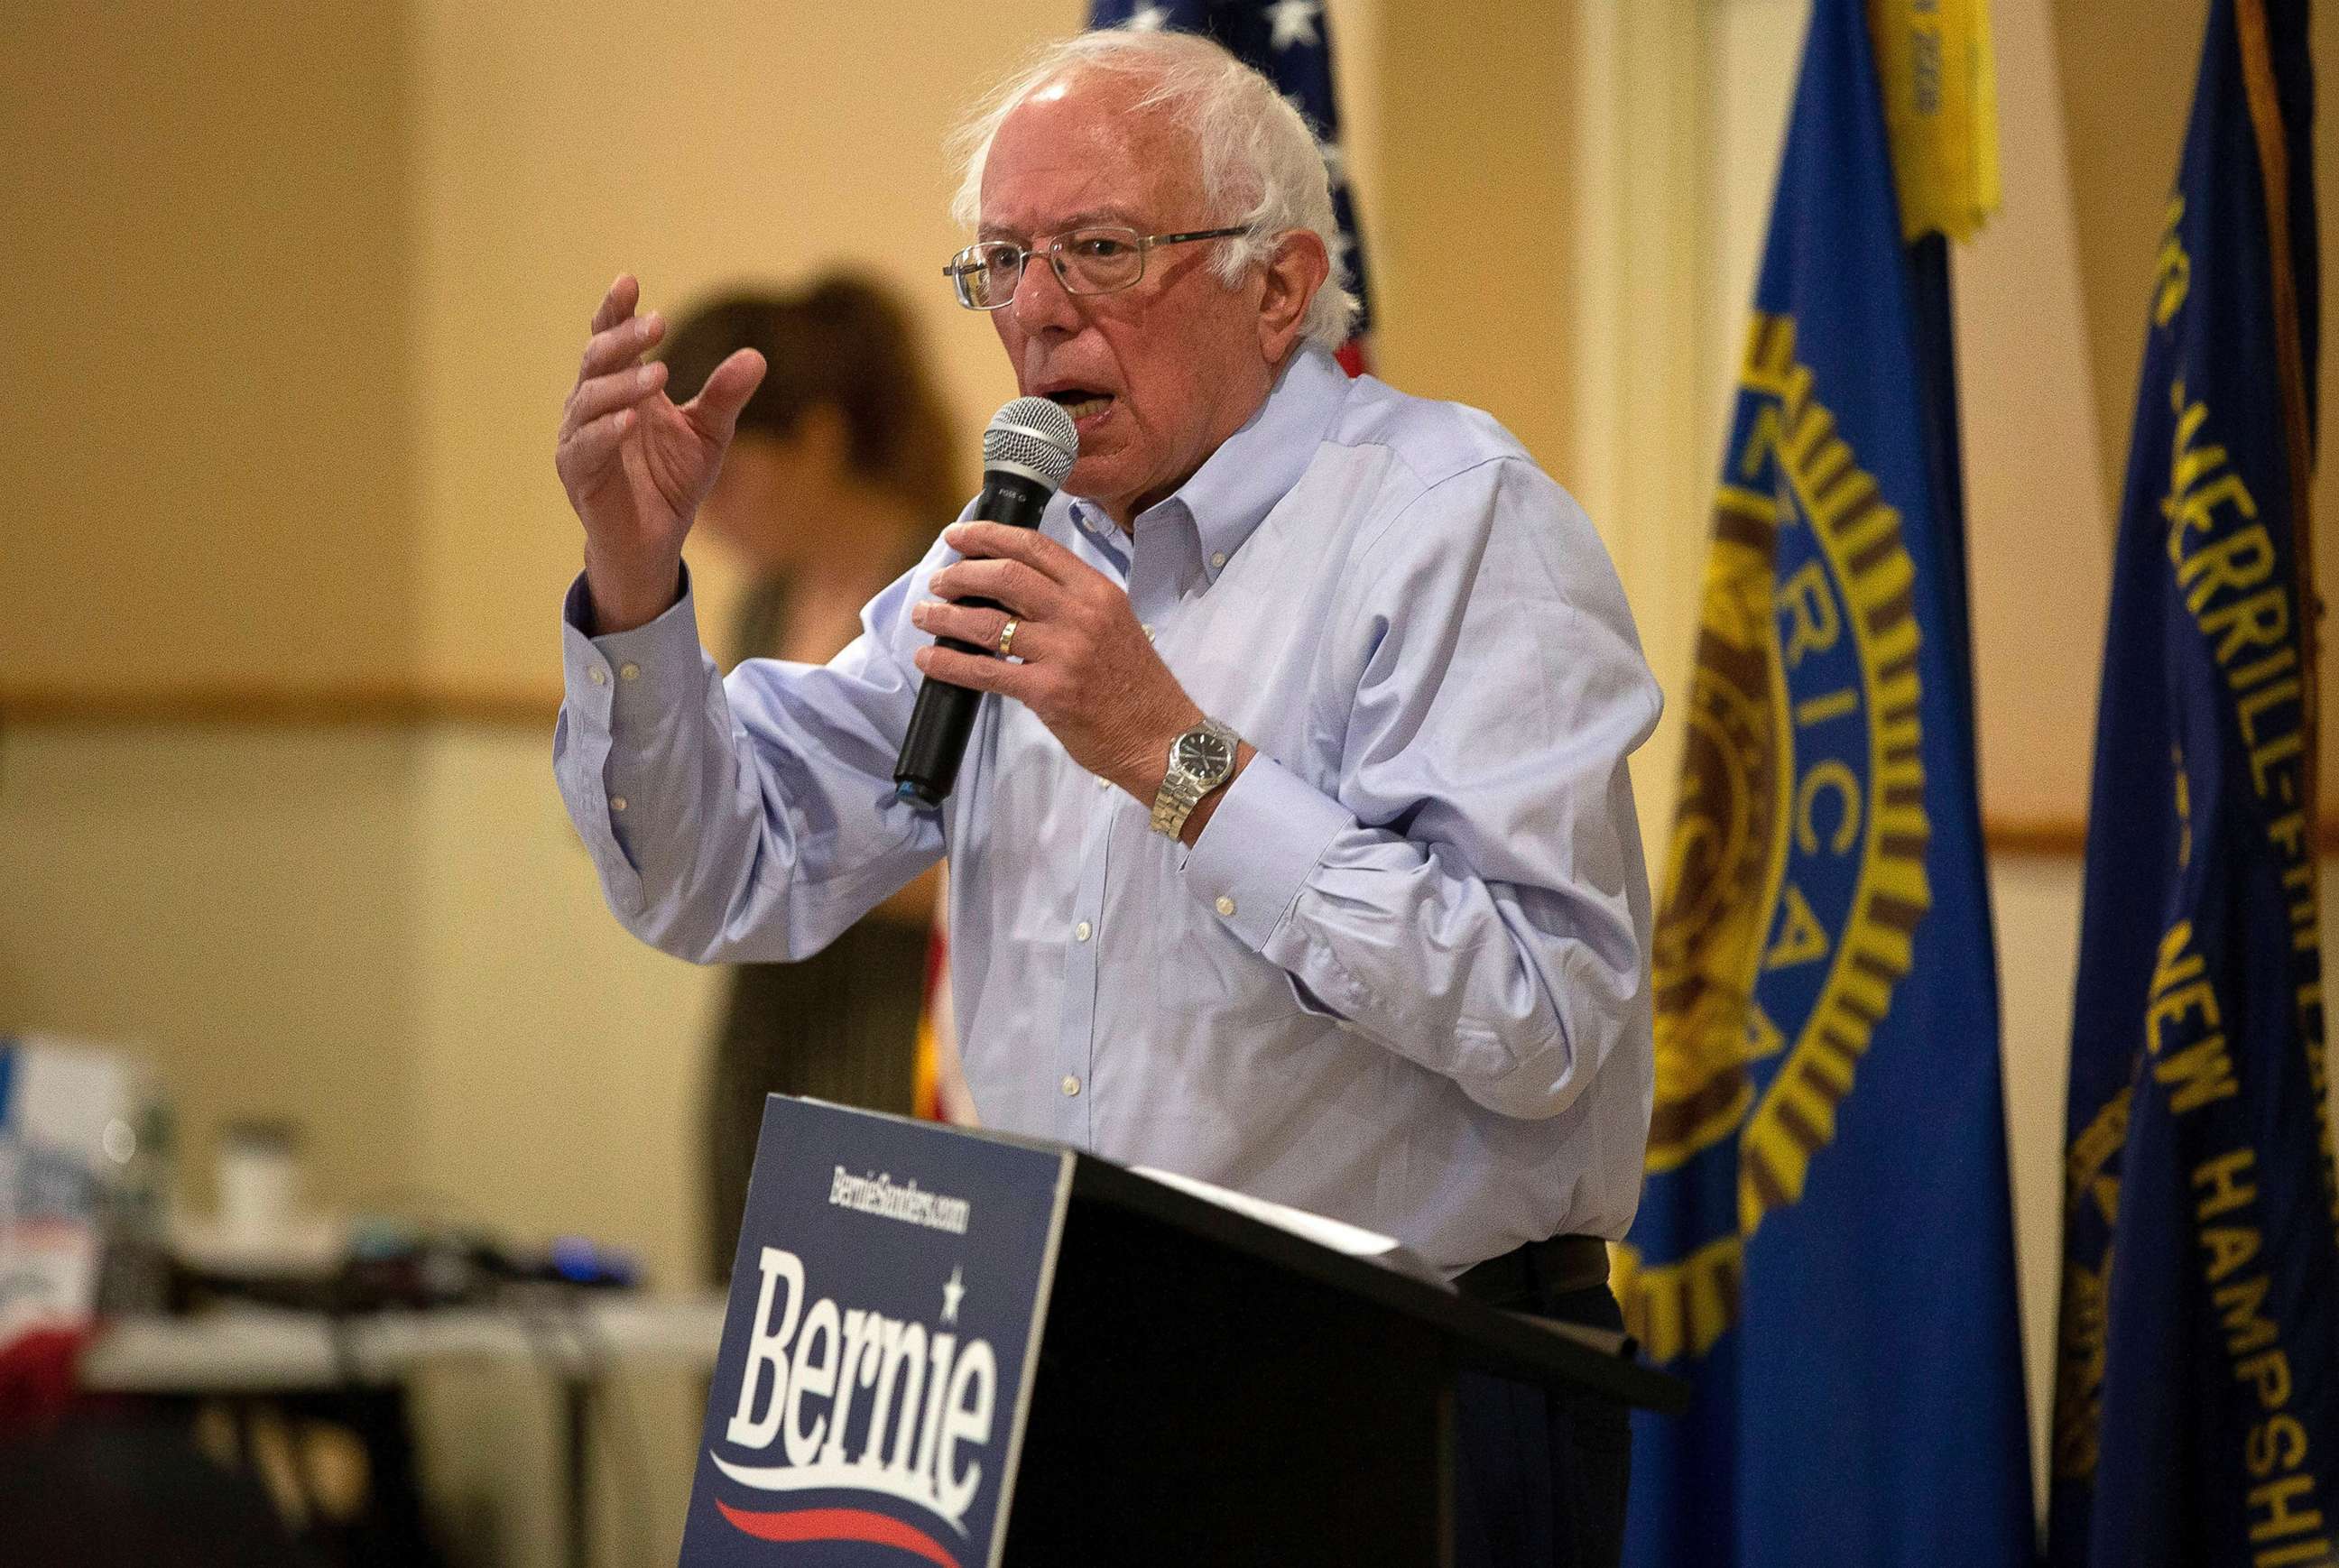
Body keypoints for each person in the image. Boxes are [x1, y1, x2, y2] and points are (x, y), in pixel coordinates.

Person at [550, 29, 1658, 1568]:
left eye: (1100, 249)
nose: (1038, 308)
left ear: (1278, 285)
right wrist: (633, 577)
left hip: (1391, 1396)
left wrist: (1174, 755)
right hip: (1047, 1365)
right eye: (1000, 262)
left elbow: (1542, 1016)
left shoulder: (1455, 529)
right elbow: (720, 872)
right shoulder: (1006, 542)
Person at [655, 277, 957, 1282]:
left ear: (819, 444)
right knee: (742, 1343)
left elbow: (1005, 846)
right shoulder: (763, 604)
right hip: (766, 1030)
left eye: (727, 482)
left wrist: (808, 848)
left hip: (895, 1033)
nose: (708, 519)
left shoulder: (953, 583)